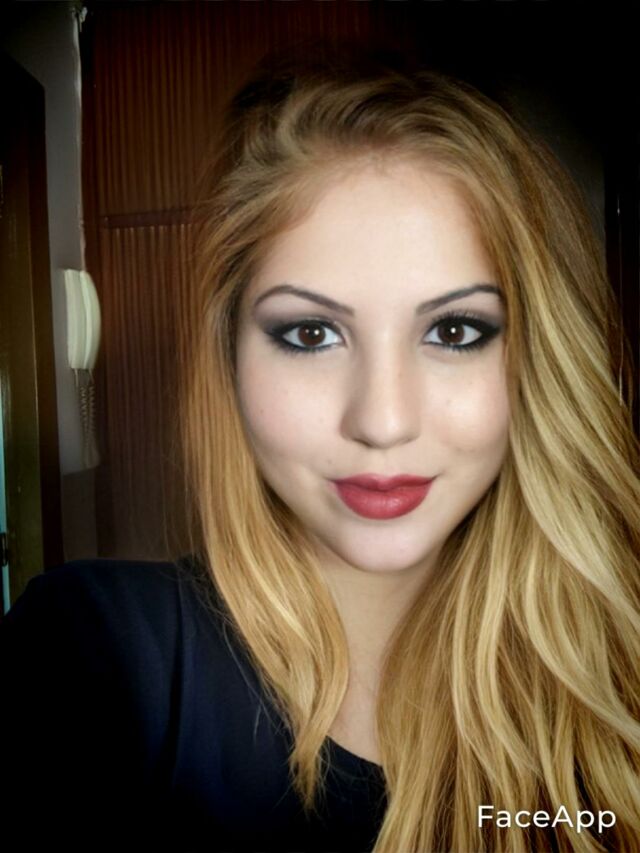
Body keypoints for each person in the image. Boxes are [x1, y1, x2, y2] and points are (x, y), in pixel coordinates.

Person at [2, 48, 640, 853]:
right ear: (230, 357)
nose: (382, 420)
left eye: (454, 330)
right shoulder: (97, 656)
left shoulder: (617, 679)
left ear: (536, 360)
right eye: (311, 333)